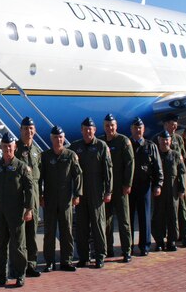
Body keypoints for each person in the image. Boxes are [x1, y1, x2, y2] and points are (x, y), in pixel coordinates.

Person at [0, 132, 36, 287]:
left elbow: (30, 190)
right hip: (0, 212)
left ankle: (20, 274)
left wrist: (29, 209)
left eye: (10, 146)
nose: (7, 149)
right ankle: (1, 275)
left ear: (15, 148)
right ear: (1, 147)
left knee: (18, 245)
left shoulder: (21, 167)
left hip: (16, 212)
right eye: (5, 146)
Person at [69, 117, 113, 268]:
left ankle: (100, 256)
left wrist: (108, 191)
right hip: (81, 192)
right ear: (81, 130)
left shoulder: (101, 146)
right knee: (81, 226)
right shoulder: (75, 147)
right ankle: (84, 257)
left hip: (96, 191)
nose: (88, 131)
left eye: (90, 129)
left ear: (94, 130)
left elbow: (108, 170)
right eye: (85, 129)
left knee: (98, 224)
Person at [39, 125, 82, 272]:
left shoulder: (70, 155)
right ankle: (49, 262)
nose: (58, 140)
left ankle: (66, 261)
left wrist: (77, 194)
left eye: (61, 137)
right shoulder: (45, 156)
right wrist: (40, 196)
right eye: (56, 137)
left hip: (66, 200)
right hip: (50, 200)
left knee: (66, 232)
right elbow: (39, 178)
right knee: (49, 233)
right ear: (51, 139)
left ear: (64, 138)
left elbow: (78, 175)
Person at [100, 113, 134, 262]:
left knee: (124, 220)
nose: (110, 128)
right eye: (107, 126)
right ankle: (108, 249)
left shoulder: (123, 141)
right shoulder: (101, 142)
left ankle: (127, 251)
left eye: (112, 125)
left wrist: (128, 184)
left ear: (116, 126)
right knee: (106, 221)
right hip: (107, 189)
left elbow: (130, 163)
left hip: (120, 187)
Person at [129, 118, 163, 256]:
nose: (138, 130)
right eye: (135, 128)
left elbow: (157, 166)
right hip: (129, 187)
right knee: (128, 218)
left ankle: (145, 246)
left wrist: (158, 184)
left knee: (144, 217)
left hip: (144, 186)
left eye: (140, 128)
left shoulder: (150, 146)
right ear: (131, 129)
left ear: (143, 129)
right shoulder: (127, 144)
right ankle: (128, 246)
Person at [16, 117, 42, 278]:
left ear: (35, 131)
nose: (28, 131)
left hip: (35, 195)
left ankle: (31, 264)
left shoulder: (36, 151)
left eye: (31, 128)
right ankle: (19, 266)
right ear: (21, 130)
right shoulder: (15, 149)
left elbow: (40, 175)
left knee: (32, 232)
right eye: (25, 129)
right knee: (20, 234)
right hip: (20, 196)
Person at [152, 130, 185, 252]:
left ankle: (171, 241)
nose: (164, 142)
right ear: (159, 141)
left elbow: (182, 173)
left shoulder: (176, 155)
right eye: (162, 140)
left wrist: (182, 189)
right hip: (159, 191)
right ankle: (159, 241)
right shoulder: (155, 155)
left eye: (167, 140)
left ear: (170, 141)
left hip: (173, 190)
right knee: (158, 216)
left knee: (173, 216)